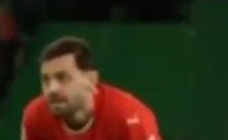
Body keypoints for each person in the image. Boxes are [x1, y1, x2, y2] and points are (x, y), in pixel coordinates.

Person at [21, 37, 160, 140]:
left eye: (62, 77)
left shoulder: (130, 118)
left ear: (91, 79)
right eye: (46, 79)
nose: (52, 89)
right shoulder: (35, 117)